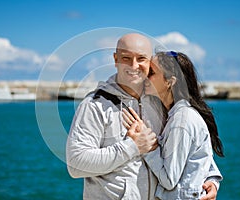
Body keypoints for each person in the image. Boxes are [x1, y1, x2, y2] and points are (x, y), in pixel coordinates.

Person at [66, 33, 221, 199]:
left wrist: (210, 179)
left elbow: (188, 147)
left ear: (150, 61)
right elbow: (76, 165)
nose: (134, 66)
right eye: (126, 58)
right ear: (115, 59)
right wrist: (133, 147)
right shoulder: (94, 105)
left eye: (141, 58)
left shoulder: (162, 103)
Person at [123, 51, 224, 199]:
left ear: (170, 81)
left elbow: (169, 180)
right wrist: (213, 180)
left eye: (152, 72)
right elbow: (200, 157)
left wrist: (148, 146)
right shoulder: (179, 115)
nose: (145, 76)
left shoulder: (181, 121)